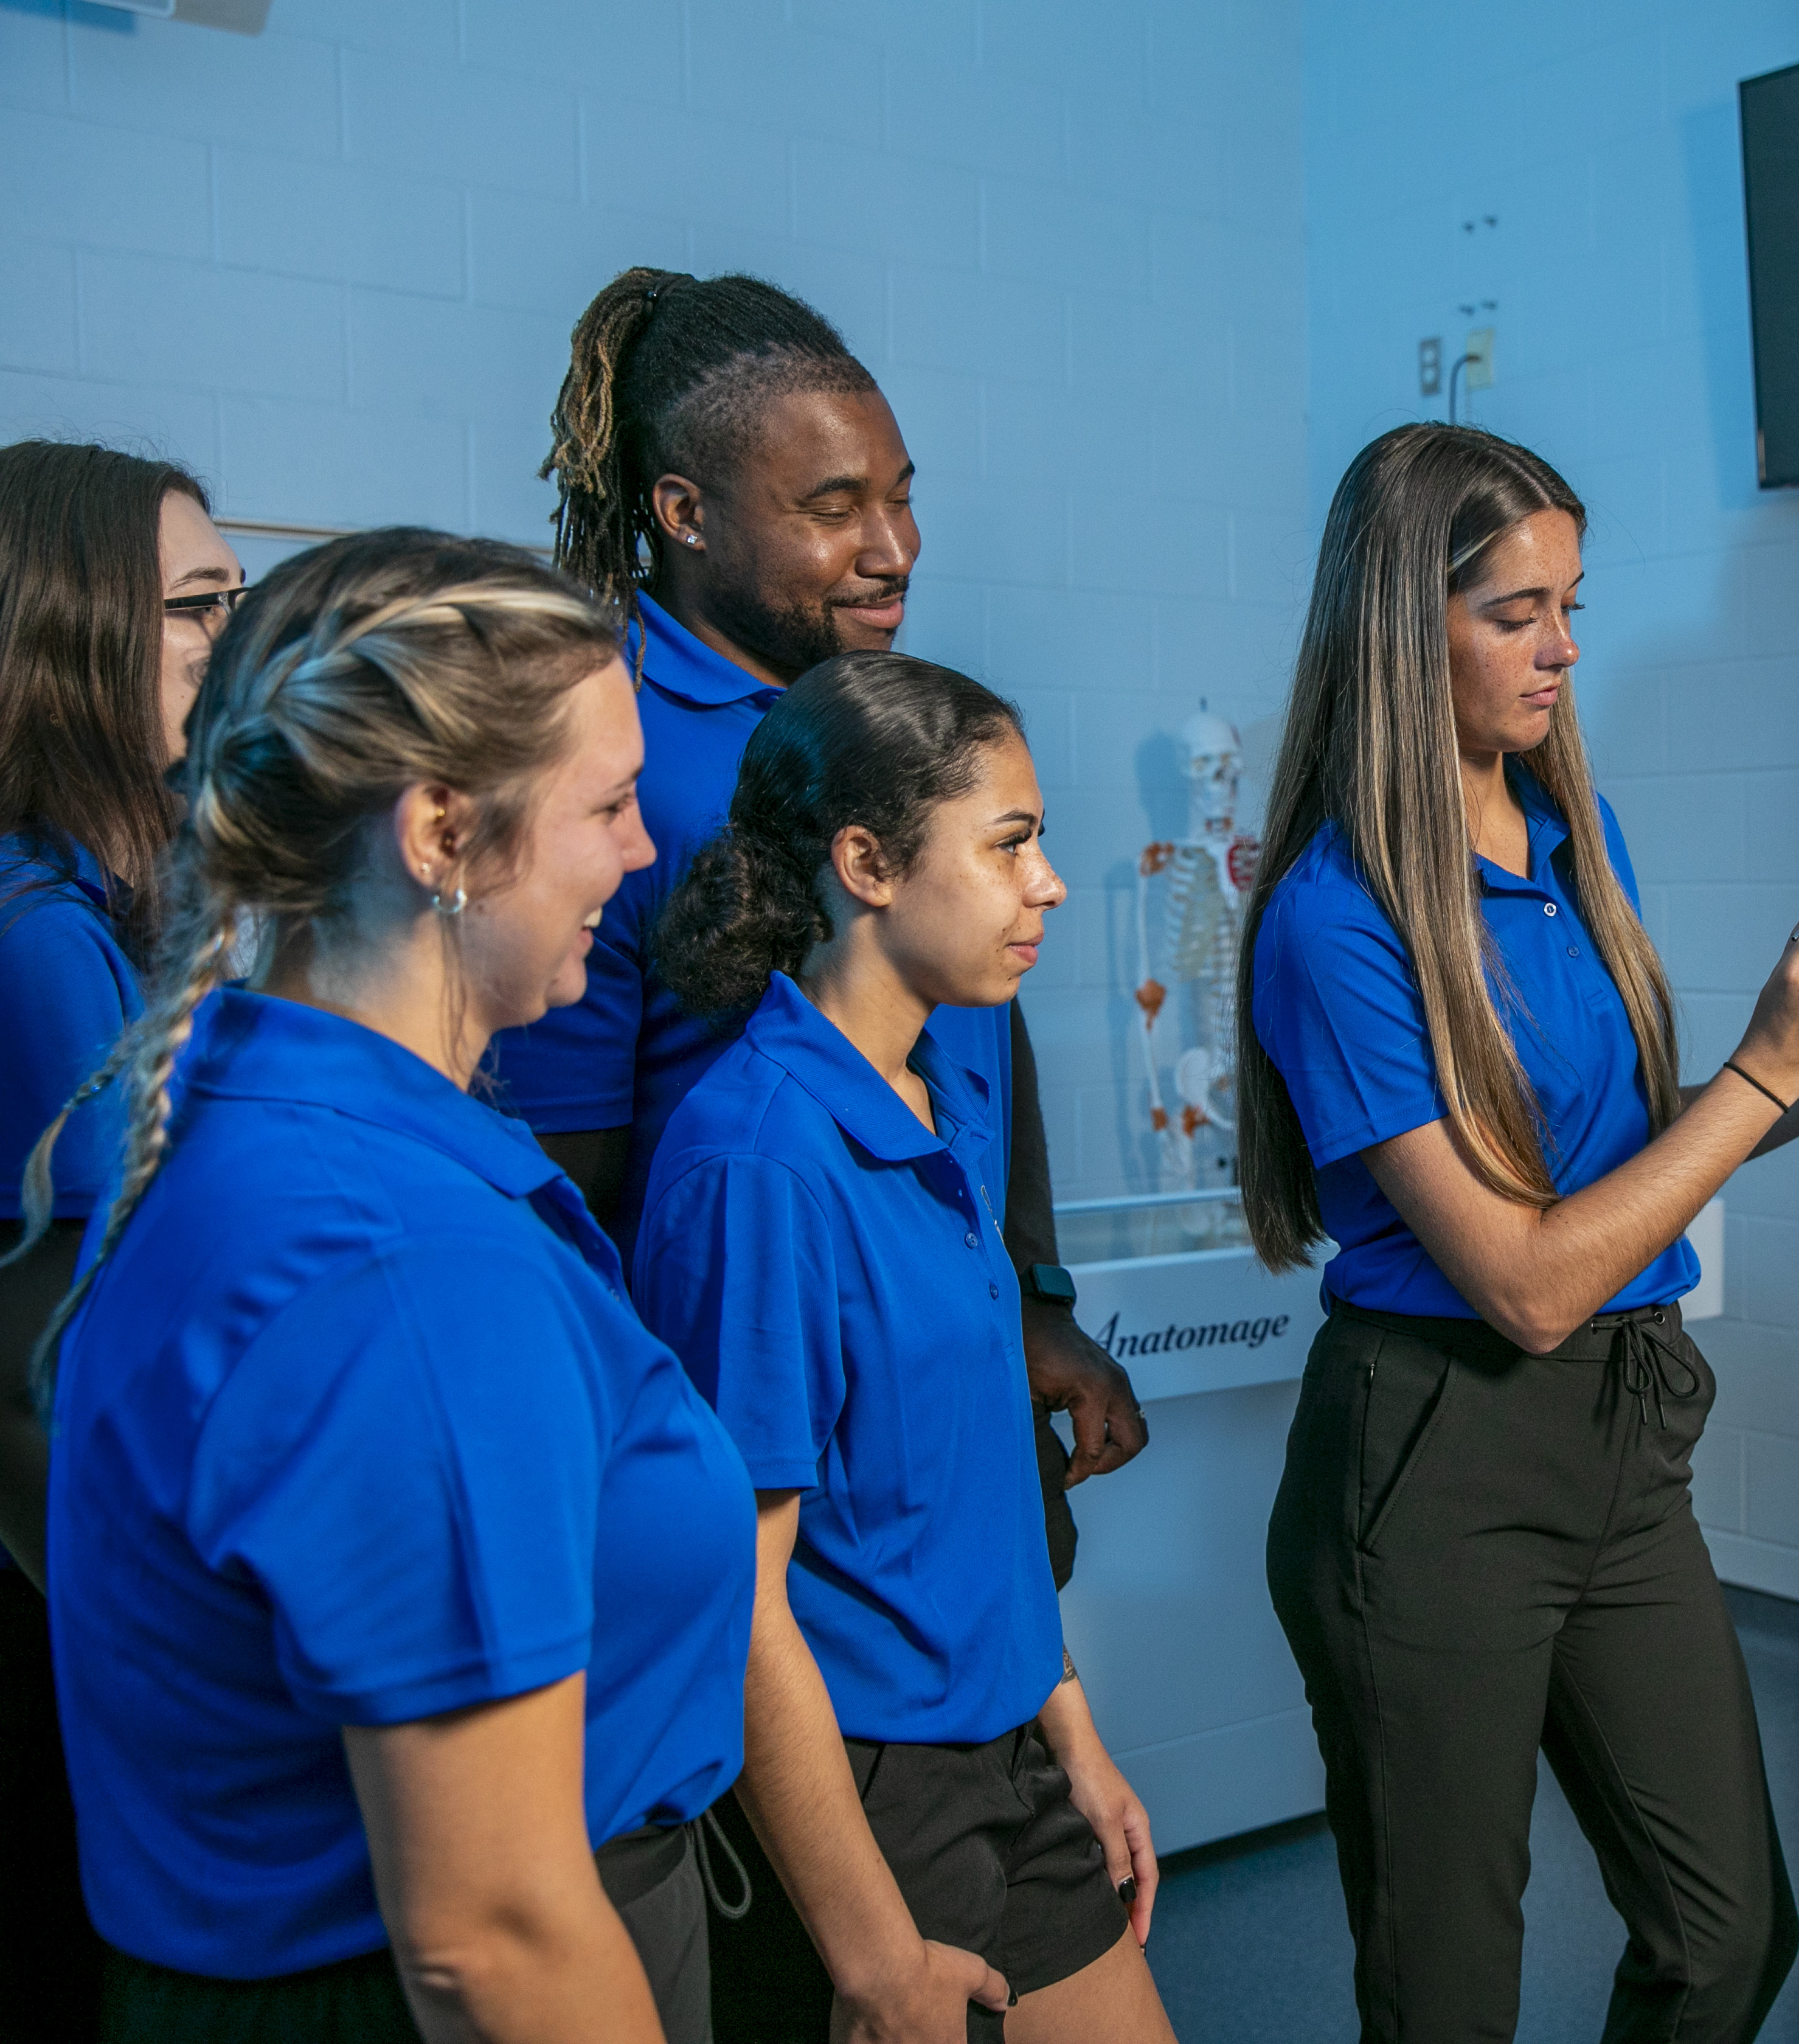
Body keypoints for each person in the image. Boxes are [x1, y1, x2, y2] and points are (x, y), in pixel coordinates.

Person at [23, 529, 754, 2041]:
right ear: (439, 832)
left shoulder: (263, 1130)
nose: (637, 852)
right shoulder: (395, 1265)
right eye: (607, 805)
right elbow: (494, 1935)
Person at [1241, 423, 1799, 2042]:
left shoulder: (1571, 842)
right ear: (1405, 625)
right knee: (1449, 1992)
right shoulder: (1339, 916)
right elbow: (1524, 1282)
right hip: (1441, 1454)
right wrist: (1762, 1071)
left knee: (1732, 1932)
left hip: (1623, 1440)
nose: (1564, 648)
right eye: (1517, 610)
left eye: (1570, 603)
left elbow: (1638, 1165)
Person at [493, 265, 1142, 1489]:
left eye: (901, 499)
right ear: (686, 513)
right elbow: (557, 1197)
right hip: (770, 1458)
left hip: (956, 1404)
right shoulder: (603, 751)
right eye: (835, 508)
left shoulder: (882, 716)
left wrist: (1031, 1294)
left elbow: (989, 1023)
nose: (893, 550)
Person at [636, 652, 1175, 2044]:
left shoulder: (935, 1099)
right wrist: (874, 1959)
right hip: (869, 1797)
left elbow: (970, 1492)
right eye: (1008, 845)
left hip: (1009, 1754)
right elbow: (742, 1608)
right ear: (867, 863)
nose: (1046, 882)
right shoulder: (756, 1162)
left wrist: (1076, 1741)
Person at [0, 437, 243, 2037]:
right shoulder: (43, 948)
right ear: (77, 632)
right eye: (196, 611)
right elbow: (46, 1387)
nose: (232, 650)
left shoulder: (90, 900)